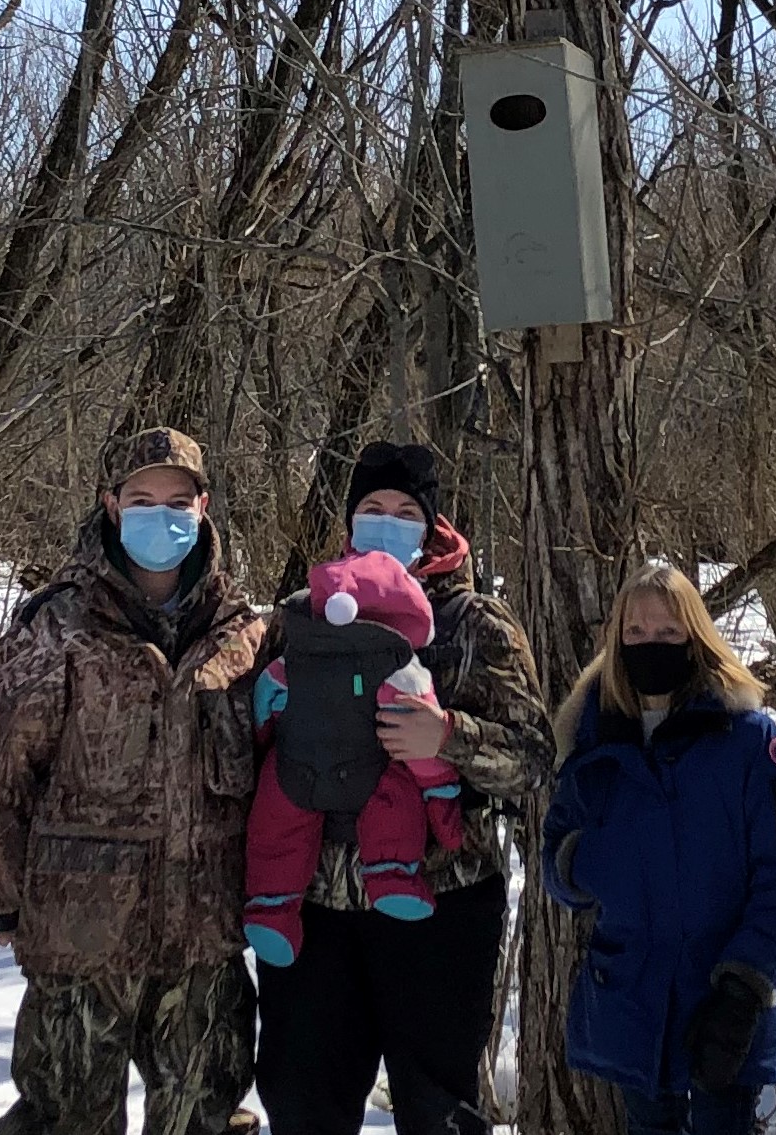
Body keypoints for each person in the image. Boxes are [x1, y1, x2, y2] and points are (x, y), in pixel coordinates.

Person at [0, 427, 265, 1135]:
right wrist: (6, 900)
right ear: (109, 504)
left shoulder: (242, 633)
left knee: (206, 1121)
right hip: (80, 943)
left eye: (177, 500)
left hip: (204, 942)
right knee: (63, 1120)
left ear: (204, 506)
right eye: (141, 500)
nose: (160, 516)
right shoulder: (53, 629)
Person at [252, 441, 552, 1135]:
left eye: (405, 511)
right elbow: (252, 740)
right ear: (350, 522)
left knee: (439, 1111)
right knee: (302, 1106)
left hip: (443, 907)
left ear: (432, 526)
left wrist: (447, 737)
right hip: (315, 907)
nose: (387, 522)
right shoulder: (302, 612)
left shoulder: (474, 623)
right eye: (372, 509)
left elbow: (534, 758)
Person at [541, 563, 776, 1135]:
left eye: (669, 633)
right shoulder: (592, 736)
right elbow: (556, 855)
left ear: (696, 636)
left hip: (724, 1000)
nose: (652, 644)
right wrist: (586, 864)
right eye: (637, 632)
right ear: (617, 638)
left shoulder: (747, 738)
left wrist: (745, 985)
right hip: (630, 999)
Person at [245, 549, 465, 963]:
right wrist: (443, 797)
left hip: (293, 773)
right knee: (395, 799)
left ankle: (272, 907)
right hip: (372, 773)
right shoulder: (401, 673)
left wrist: (263, 745)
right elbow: (424, 752)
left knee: (277, 829)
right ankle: (392, 875)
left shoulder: (292, 659)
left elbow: (264, 702)